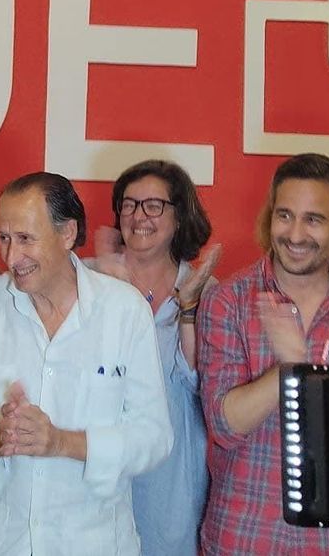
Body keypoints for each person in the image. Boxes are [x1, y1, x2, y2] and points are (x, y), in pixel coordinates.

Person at [0, 172, 171, 556]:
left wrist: (62, 442)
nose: (12, 257)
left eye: (26, 239)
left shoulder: (124, 311)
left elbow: (154, 437)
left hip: (93, 542)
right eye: (4, 238)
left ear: (67, 234)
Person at [198, 153, 329, 556]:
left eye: (313, 219)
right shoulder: (229, 301)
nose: (294, 234)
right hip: (246, 537)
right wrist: (291, 368)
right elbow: (225, 426)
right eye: (285, 215)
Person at [90, 159, 219, 556]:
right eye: (129, 204)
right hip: (96, 463)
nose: (138, 216)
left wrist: (189, 310)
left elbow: (204, 386)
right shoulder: (87, 279)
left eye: (153, 205)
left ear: (179, 217)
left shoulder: (206, 290)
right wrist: (105, 297)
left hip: (172, 474)